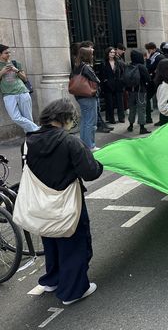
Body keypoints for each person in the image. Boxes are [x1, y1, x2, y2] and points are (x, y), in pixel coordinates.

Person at [25, 98, 103, 305]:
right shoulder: (70, 142)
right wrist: (99, 164)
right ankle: (73, 291)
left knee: (50, 239)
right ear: (65, 119)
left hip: (41, 202)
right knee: (73, 242)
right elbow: (91, 172)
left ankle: (52, 279)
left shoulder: (29, 141)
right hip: (67, 201)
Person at [0, 44, 40, 133]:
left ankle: (31, 140)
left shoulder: (15, 63)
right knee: (15, 117)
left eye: (9, 52)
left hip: (23, 92)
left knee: (28, 118)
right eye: (6, 53)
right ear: (0, 54)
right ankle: (38, 130)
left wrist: (16, 70)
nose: (9, 54)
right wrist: (2, 72)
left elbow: (25, 79)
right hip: (8, 95)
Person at [72, 47, 101, 152]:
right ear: (87, 55)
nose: (93, 56)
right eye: (91, 54)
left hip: (80, 96)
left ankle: (84, 144)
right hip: (88, 96)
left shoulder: (77, 66)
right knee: (90, 122)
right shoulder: (86, 67)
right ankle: (90, 145)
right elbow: (96, 80)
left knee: (85, 121)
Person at [125, 49, 151, 135]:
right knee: (141, 109)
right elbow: (148, 79)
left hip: (131, 91)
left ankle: (130, 125)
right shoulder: (141, 66)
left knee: (132, 108)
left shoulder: (129, 65)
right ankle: (142, 127)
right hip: (141, 90)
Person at [100, 47, 125, 124]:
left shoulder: (118, 62)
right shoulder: (104, 63)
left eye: (114, 52)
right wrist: (105, 81)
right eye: (111, 52)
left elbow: (122, 72)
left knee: (120, 102)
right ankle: (111, 119)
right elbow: (101, 75)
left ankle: (121, 118)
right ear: (107, 53)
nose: (112, 54)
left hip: (118, 84)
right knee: (109, 103)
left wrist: (121, 80)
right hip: (108, 85)